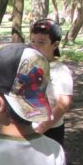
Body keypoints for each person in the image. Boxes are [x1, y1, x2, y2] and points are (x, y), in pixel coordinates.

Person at [28, 18, 73, 146]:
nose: (35, 46)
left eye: (41, 42)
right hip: (28, 126)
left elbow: (63, 105)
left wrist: (40, 129)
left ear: (55, 44)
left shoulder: (60, 71)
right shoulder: (30, 65)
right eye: (33, 41)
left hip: (50, 130)